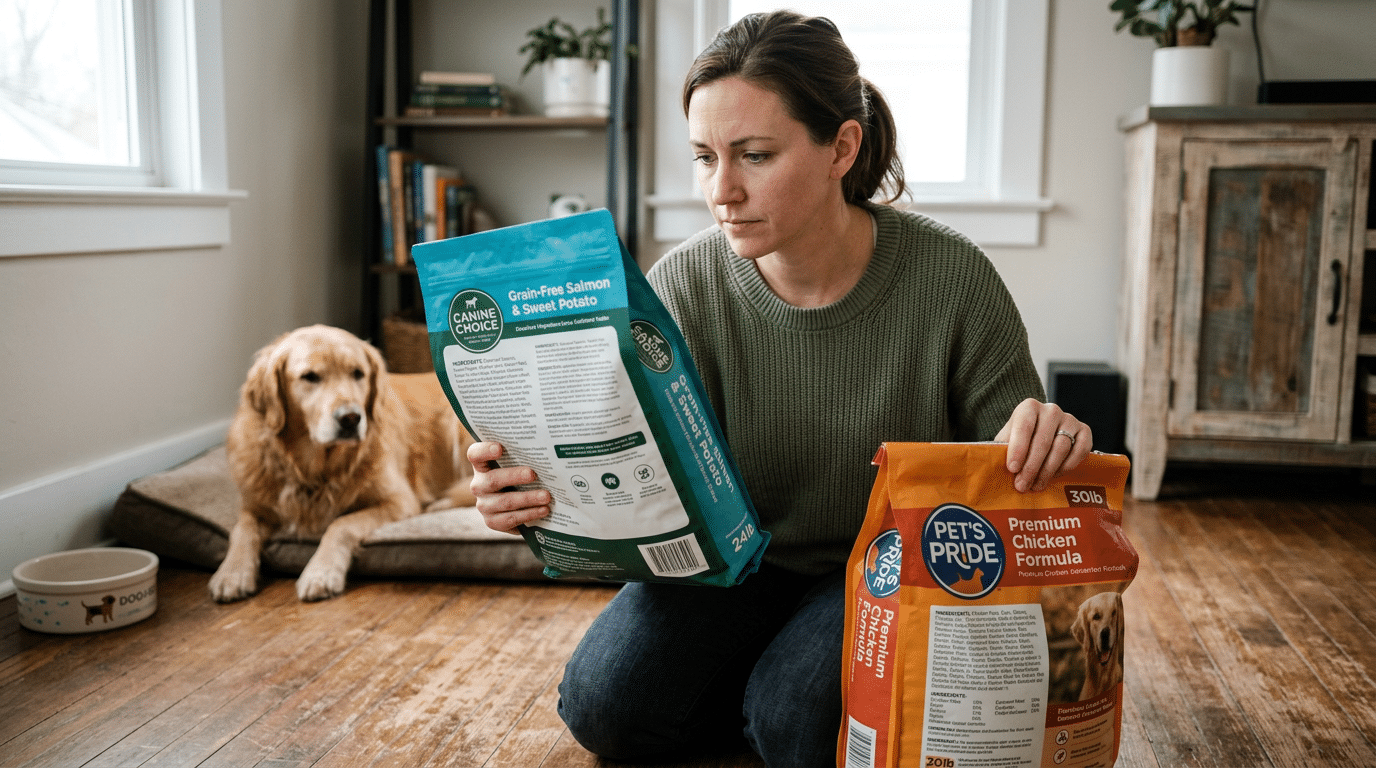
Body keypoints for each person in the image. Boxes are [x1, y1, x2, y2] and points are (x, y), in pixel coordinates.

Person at [466, 10, 1092, 767]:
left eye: (754, 155)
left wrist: (1050, 439)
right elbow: (639, 472)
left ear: (842, 147)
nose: (722, 190)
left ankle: (776, 696)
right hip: (736, 566)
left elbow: (1016, 472)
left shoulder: (953, 278)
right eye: (704, 158)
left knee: (797, 721)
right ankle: (770, 689)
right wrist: (536, 493)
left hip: (887, 571)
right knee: (604, 706)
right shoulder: (683, 285)